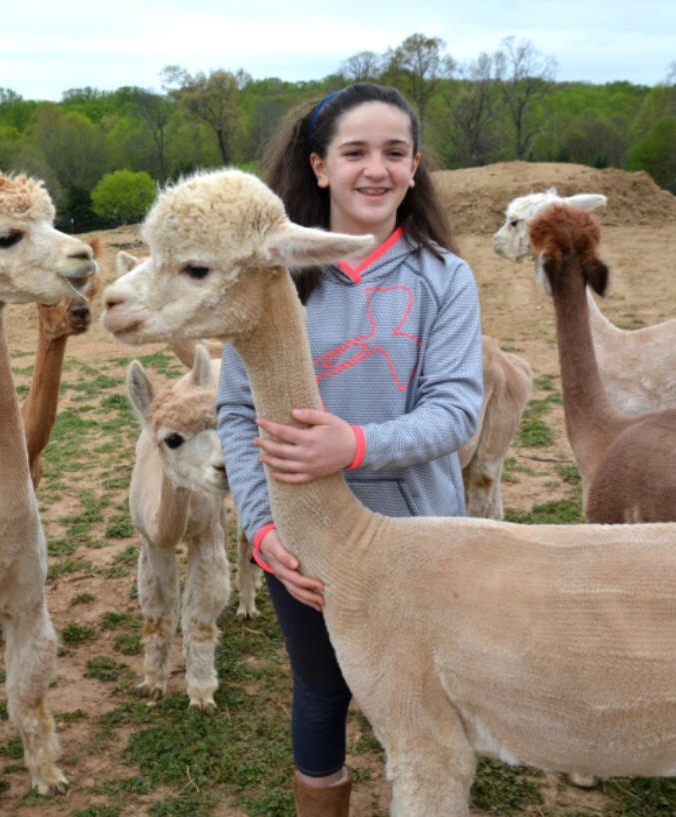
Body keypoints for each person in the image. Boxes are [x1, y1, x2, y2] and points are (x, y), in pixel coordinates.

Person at [215, 83, 483, 817]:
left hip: (418, 538)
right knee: (322, 691)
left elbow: (458, 410)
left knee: (425, 693)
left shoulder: (444, 279)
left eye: (394, 153)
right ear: (320, 167)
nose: (376, 169)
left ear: (415, 166)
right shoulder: (273, 276)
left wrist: (353, 444)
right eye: (355, 152)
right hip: (306, 545)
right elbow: (238, 414)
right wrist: (264, 533)